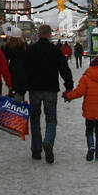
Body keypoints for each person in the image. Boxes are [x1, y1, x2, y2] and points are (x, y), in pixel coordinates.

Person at [25, 24, 73, 164]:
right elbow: (64, 69)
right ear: (50, 35)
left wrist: (21, 88)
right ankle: (48, 141)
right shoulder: (55, 50)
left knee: (35, 119)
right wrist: (68, 85)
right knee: (51, 119)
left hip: (34, 89)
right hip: (51, 89)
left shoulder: (31, 50)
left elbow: (24, 69)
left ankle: (36, 150)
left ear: (38, 34)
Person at [2, 33, 29, 101]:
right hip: (22, 72)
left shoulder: (8, 46)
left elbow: (4, 60)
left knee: (12, 90)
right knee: (20, 92)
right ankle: (19, 107)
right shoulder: (24, 46)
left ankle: (11, 106)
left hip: (12, 71)